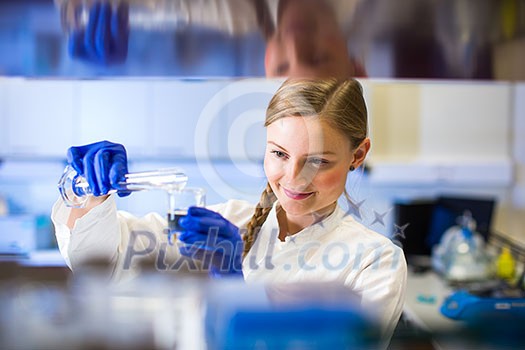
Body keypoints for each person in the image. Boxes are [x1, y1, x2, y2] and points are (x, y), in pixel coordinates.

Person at [51, 78, 406, 341]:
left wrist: (237, 288)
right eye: (279, 154)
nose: (294, 178)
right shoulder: (226, 222)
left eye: (318, 161)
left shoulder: (374, 261)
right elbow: (102, 262)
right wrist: (87, 191)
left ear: (357, 155)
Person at [63, 0, 367, 77]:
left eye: (282, 66)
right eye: (318, 58)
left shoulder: (235, 13)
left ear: (266, 62)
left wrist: (91, 12)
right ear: (357, 69)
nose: (295, 42)